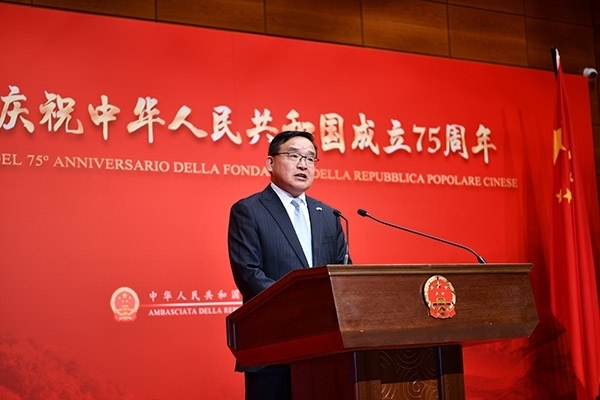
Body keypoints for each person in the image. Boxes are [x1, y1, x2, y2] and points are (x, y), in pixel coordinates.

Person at [227, 130, 348, 400]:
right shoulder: (249, 210)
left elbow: (343, 273)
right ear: (270, 163)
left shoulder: (329, 215)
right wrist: (302, 310)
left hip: (324, 346)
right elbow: (249, 273)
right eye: (294, 156)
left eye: (310, 158)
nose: (303, 165)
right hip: (273, 343)